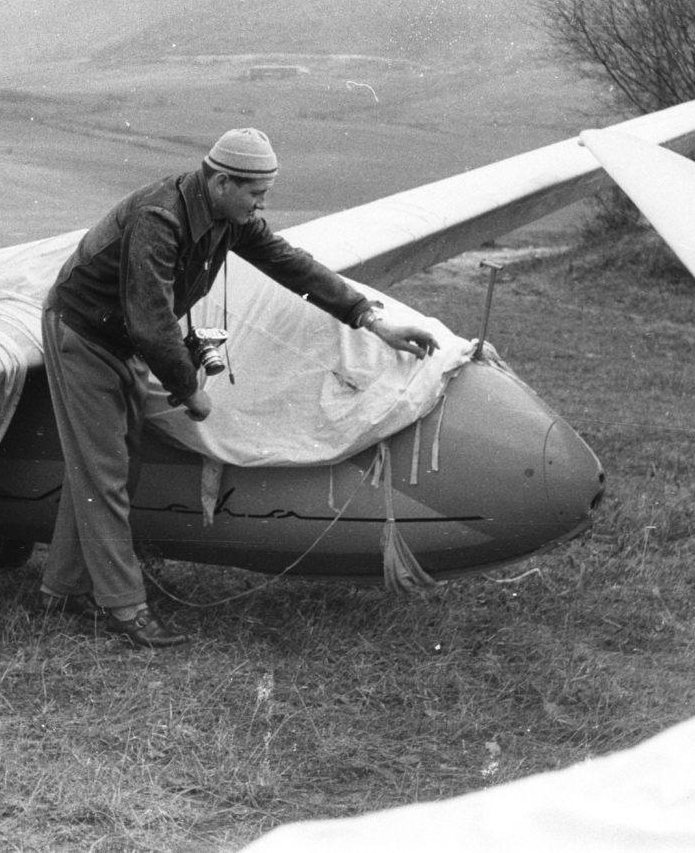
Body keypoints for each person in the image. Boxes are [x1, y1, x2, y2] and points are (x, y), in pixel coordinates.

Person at [38, 128, 440, 647]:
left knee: (112, 463)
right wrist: (190, 390)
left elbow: (290, 263)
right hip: (84, 333)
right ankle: (124, 607)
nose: (262, 204)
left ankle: (62, 589)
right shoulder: (158, 218)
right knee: (105, 470)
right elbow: (151, 320)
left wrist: (369, 318)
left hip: (119, 339)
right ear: (222, 181)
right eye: (256, 193)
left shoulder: (228, 217)